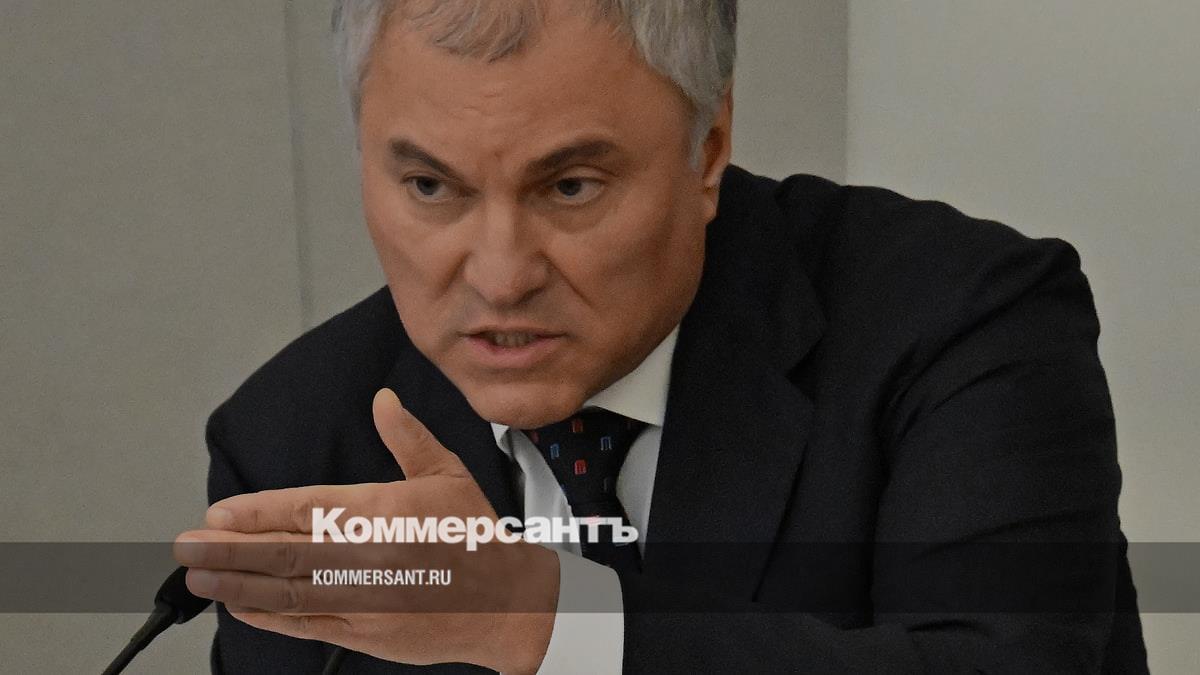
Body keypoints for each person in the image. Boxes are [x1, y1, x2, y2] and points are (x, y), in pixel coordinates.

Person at [172, 0, 1148, 672]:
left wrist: (545, 622)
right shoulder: (294, 441)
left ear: (708, 147)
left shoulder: (961, 321)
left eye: (570, 187)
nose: (500, 276)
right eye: (430, 186)